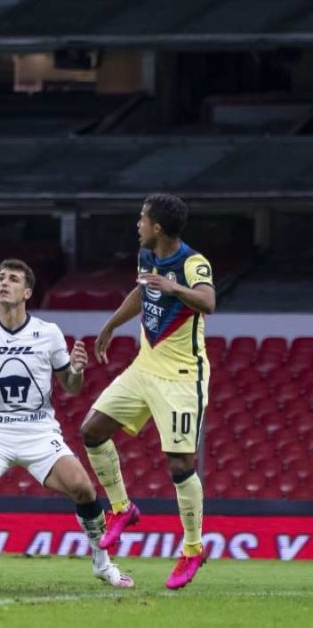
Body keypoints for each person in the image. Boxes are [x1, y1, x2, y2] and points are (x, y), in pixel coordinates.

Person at [0, 259, 133, 588]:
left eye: (13, 279)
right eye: (1, 278)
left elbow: (70, 387)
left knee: (84, 488)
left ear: (27, 291)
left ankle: (103, 565)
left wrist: (76, 370)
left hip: (39, 432)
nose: (3, 283)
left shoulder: (48, 333)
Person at [81, 194, 215, 590]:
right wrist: (110, 325)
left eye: (142, 219)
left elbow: (208, 301)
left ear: (157, 227)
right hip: (145, 366)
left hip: (181, 376)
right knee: (91, 430)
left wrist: (172, 287)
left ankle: (192, 549)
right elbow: (142, 293)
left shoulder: (192, 262)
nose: (137, 224)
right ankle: (122, 508)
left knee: (179, 464)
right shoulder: (146, 256)